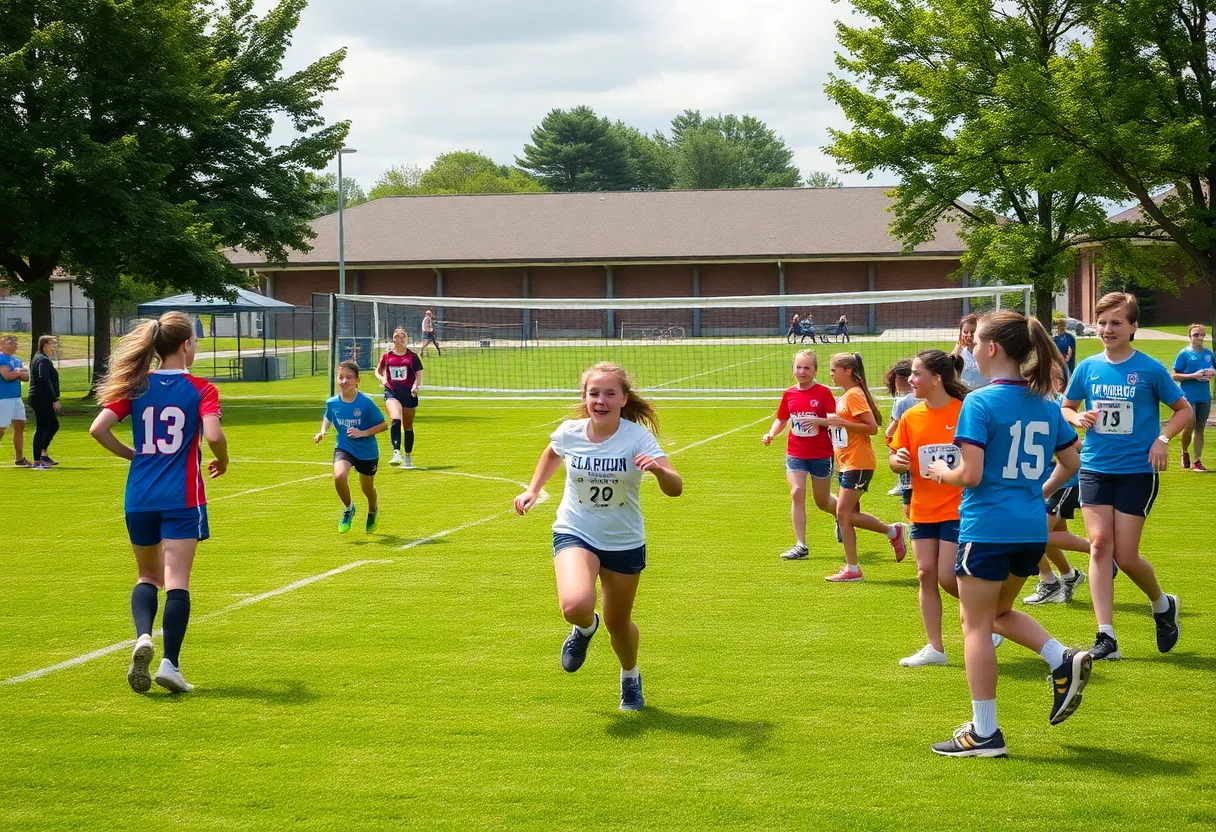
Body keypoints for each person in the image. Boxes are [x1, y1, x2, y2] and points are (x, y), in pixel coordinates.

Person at [927, 310, 1092, 757]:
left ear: (993, 348)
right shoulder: (1044, 403)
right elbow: (1072, 463)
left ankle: (985, 734)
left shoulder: (980, 402)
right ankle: (1061, 656)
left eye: (976, 341)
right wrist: (1037, 490)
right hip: (1029, 528)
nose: (972, 348)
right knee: (999, 614)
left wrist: (944, 472)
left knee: (975, 626)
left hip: (987, 527)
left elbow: (972, 474)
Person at [514, 363, 683, 711]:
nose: (601, 400)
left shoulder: (636, 437)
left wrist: (659, 470)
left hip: (623, 540)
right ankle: (584, 628)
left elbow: (675, 487)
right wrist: (533, 490)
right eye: (594, 393)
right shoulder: (569, 432)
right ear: (584, 397)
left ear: (623, 399)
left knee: (618, 624)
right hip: (575, 530)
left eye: (609, 394)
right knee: (575, 605)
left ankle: (630, 677)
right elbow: (551, 453)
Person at [88, 311, 228, 694]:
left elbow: (97, 429)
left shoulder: (136, 386)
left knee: (147, 576)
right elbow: (213, 433)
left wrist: (133, 455)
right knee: (177, 582)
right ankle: (171, 664)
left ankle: (143, 637)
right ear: (185, 346)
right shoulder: (201, 388)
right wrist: (224, 458)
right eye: (195, 342)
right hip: (182, 498)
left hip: (140, 496)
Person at [1062, 292, 1190, 661]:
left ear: (1134, 327)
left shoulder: (1150, 369)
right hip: (1096, 468)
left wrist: (1163, 439)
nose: (1107, 329)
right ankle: (1106, 636)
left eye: (1116, 323)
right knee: (1100, 545)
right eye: (1102, 323)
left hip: (1137, 471)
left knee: (1127, 555)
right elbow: (1067, 406)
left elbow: (1182, 410)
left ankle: (1163, 604)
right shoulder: (1087, 368)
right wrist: (1077, 418)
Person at [887, 350, 967, 667]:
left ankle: (991, 618)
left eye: (917, 374)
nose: (910, 379)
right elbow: (894, 458)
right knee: (925, 574)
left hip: (958, 508)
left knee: (948, 576)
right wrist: (899, 461)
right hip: (922, 508)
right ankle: (936, 648)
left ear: (936, 379)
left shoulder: (966, 412)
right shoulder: (910, 416)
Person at [809, 353, 907, 582]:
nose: (831, 375)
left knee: (843, 513)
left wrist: (841, 423)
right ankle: (886, 537)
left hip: (858, 462)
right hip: (847, 462)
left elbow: (871, 427)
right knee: (848, 515)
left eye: (834, 370)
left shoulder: (854, 395)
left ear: (848, 372)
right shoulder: (846, 396)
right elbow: (844, 425)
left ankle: (856, 565)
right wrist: (821, 422)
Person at [762, 350, 837, 559]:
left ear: (815, 370)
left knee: (822, 501)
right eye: (798, 367)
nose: (802, 372)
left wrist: (817, 421)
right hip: (796, 452)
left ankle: (841, 514)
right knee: (796, 492)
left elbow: (833, 419)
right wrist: (771, 434)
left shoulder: (823, 392)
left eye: (807, 367)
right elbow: (782, 419)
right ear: (793, 368)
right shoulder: (789, 394)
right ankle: (801, 546)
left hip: (821, 453)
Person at [316, 360, 387, 535]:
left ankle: (373, 510)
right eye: (341, 377)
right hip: (344, 447)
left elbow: (384, 424)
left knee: (367, 488)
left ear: (357, 381)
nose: (344, 381)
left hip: (367, 452)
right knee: (339, 476)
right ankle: (348, 509)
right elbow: (328, 415)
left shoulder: (366, 403)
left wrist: (363, 433)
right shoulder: (332, 402)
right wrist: (322, 431)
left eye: (348, 378)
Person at [374, 326, 424, 468]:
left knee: (408, 427)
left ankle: (407, 456)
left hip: (408, 393)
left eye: (403, 337)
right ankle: (396, 452)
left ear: (407, 339)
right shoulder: (387, 356)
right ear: (393, 339)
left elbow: (418, 375)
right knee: (395, 417)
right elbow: (377, 371)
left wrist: (415, 386)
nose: (400, 340)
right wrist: (382, 378)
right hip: (392, 391)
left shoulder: (412, 357)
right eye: (397, 337)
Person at [1171, 323, 1214, 471]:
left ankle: (1197, 460)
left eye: (1202, 334)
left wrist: (1211, 373)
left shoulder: (1209, 354)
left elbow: (1213, 369)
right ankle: (1184, 451)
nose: (1199, 337)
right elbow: (1174, 375)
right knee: (1190, 426)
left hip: (1204, 396)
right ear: (1190, 337)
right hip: (1188, 396)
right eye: (1196, 335)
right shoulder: (1184, 354)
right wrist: (1193, 375)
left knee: (1200, 429)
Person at [884, 359, 915, 501]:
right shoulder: (921, 397)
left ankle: (903, 485)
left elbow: (892, 427)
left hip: (906, 442)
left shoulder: (902, 401)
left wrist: (889, 438)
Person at [29, 335, 61, 469]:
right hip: (41, 398)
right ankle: (37, 460)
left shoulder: (41, 358)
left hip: (41, 398)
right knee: (42, 427)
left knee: (53, 425)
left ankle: (43, 452)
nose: (54, 347)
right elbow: (44, 379)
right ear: (45, 344)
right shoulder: (42, 360)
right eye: (53, 344)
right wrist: (54, 399)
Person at [0, 334, 31, 466]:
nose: (13, 345)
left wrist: (17, 373)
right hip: (3, 398)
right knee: (1, 429)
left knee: (20, 425)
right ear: (2, 344)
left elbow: (26, 377)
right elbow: (6, 376)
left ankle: (19, 458)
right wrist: (18, 373)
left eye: (15, 343)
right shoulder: (1, 358)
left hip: (16, 397)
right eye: (10, 342)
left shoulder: (17, 360)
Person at [951, 314, 989, 390]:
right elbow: (947, 370)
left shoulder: (988, 352)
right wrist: (956, 351)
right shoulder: (959, 353)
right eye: (965, 332)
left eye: (973, 332)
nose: (969, 336)